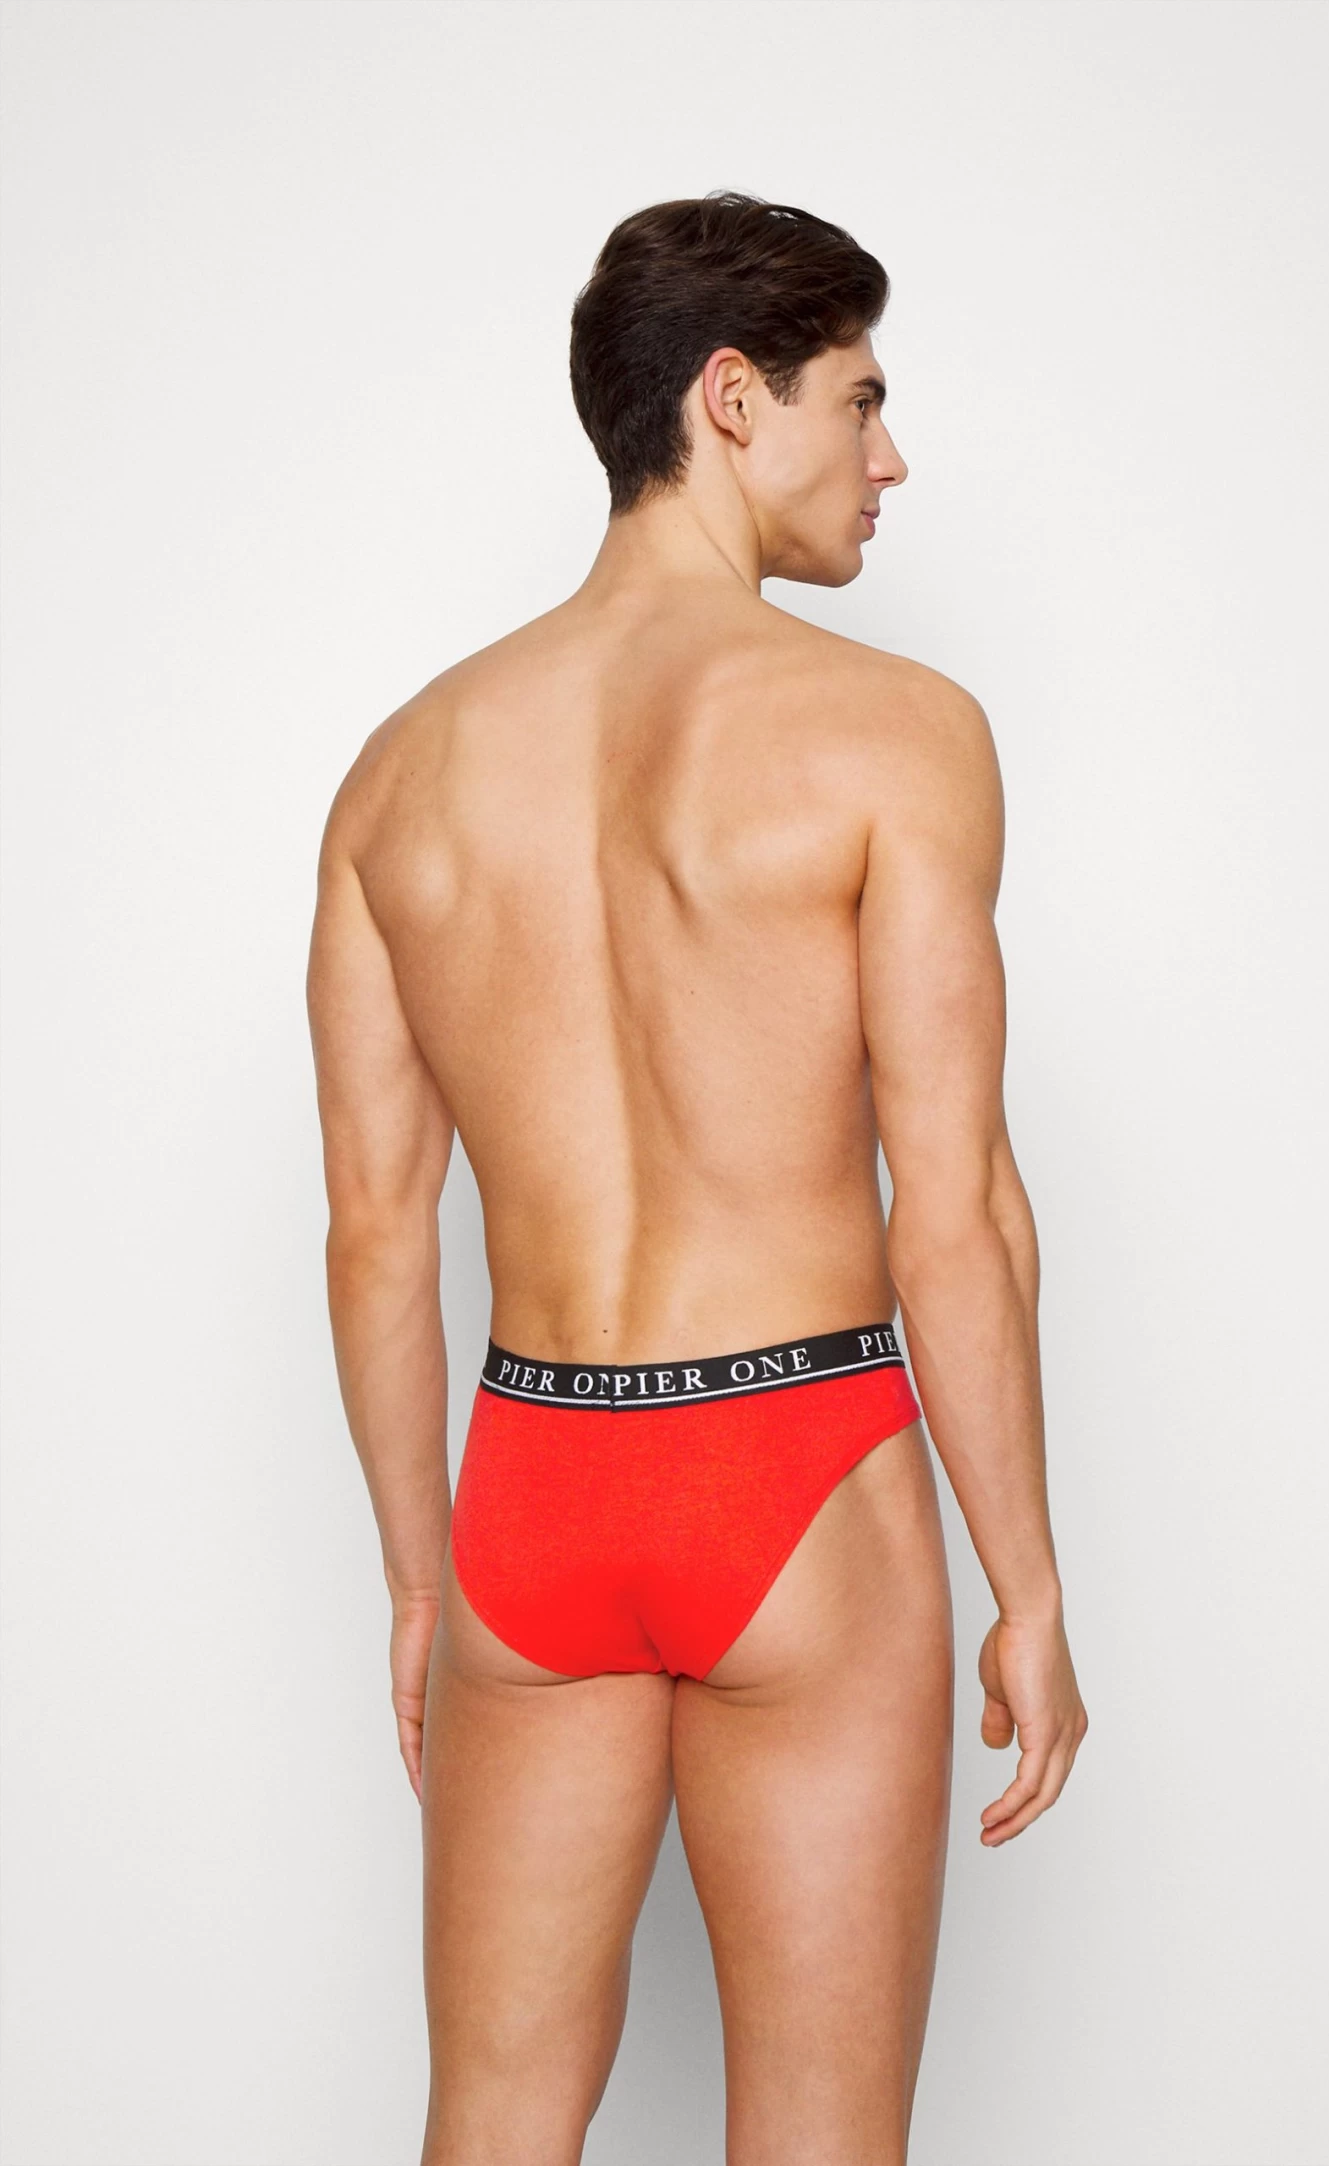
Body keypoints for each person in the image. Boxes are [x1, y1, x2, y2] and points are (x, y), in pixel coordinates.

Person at [306, 189, 1087, 2165]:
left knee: (491, 2124)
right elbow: (956, 1208)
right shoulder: (896, 737)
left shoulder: (401, 775)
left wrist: (421, 1581)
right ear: (733, 398)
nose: (889, 460)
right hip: (795, 1469)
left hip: (530, 1496)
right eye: (862, 400)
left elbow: (378, 1229)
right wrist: (1028, 1582)